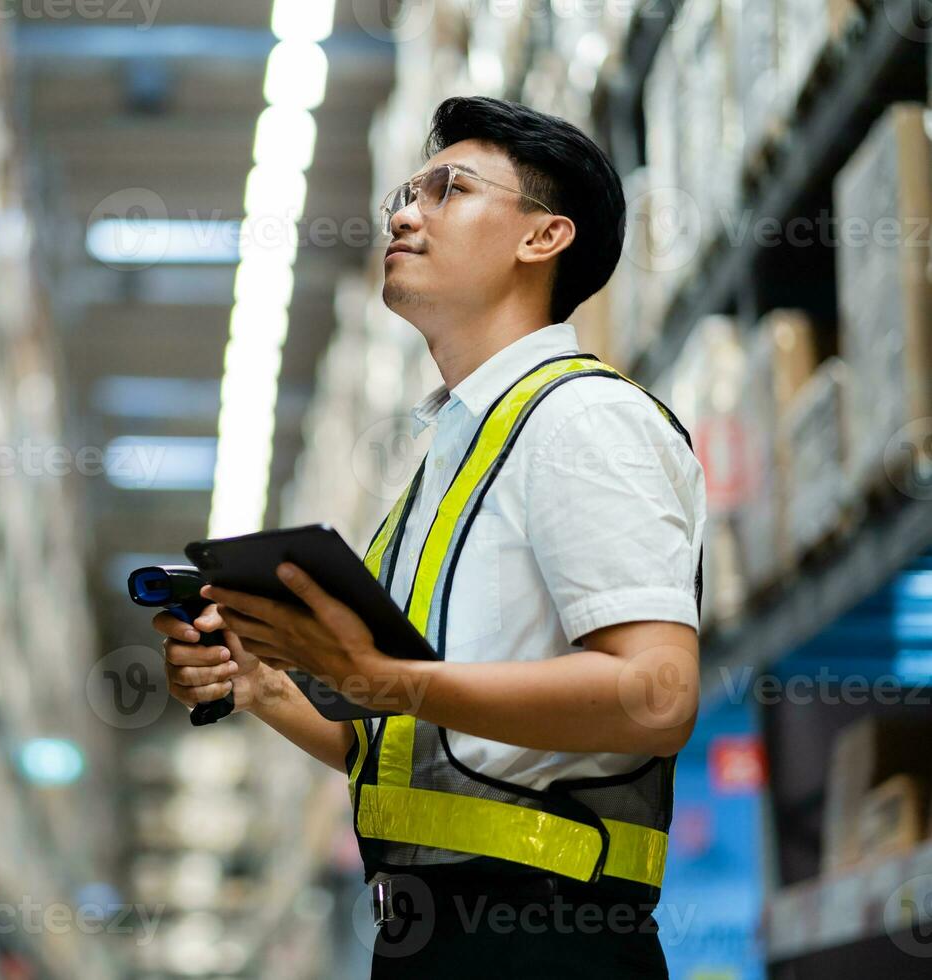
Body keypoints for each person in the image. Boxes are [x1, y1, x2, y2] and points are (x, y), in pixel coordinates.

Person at [150, 96, 706, 978]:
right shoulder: (448, 459)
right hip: (433, 939)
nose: (406, 212)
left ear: (543, 237)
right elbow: (408, 746)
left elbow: (656, 694)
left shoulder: (583, 421)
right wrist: (264, 684)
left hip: (545, 939)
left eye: (450, 189)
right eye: (405, 195)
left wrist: (379, 676)